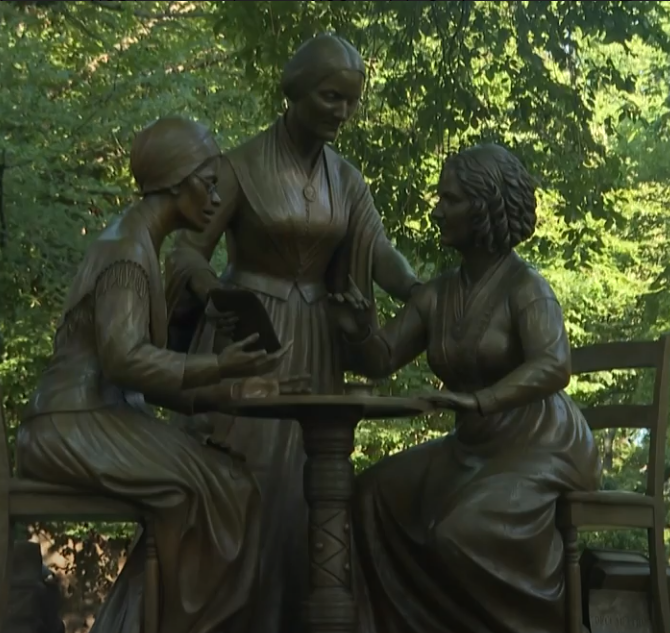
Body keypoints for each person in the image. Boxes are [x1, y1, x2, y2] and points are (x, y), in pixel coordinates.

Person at [162, 34, 421, 632]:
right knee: (239, 492)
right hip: (247, 342)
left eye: (351, 102)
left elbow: (380, 252)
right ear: (297, 90)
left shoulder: (347, 180)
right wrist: (213, 292)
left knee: (310, 493)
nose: (342, 112)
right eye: (331, 97)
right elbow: (186, 252)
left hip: (316, 341)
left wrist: (417, 292)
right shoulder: (239, 165)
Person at [16, 117, 304, 633]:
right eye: (208, 183)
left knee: (230, 483)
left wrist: (250, 386)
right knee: (215, 490)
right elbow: (125, 360)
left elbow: (148, 376)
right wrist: (219, 365)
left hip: (98, 416)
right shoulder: (126, 252)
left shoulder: (138, 245)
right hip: (71, 423)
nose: (216, 198)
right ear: (176, 183)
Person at [330, 143, 602, 633]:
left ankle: (545, 624)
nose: (437, 210)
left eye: (449, 199)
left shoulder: (527, 288)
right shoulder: (436, 294)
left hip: (540, 445)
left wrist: (479, 400)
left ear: (485, 205)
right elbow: (381, 359)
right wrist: (358, 328)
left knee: (461, 533)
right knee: (368, 497)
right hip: (473, 449)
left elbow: (554, 364)